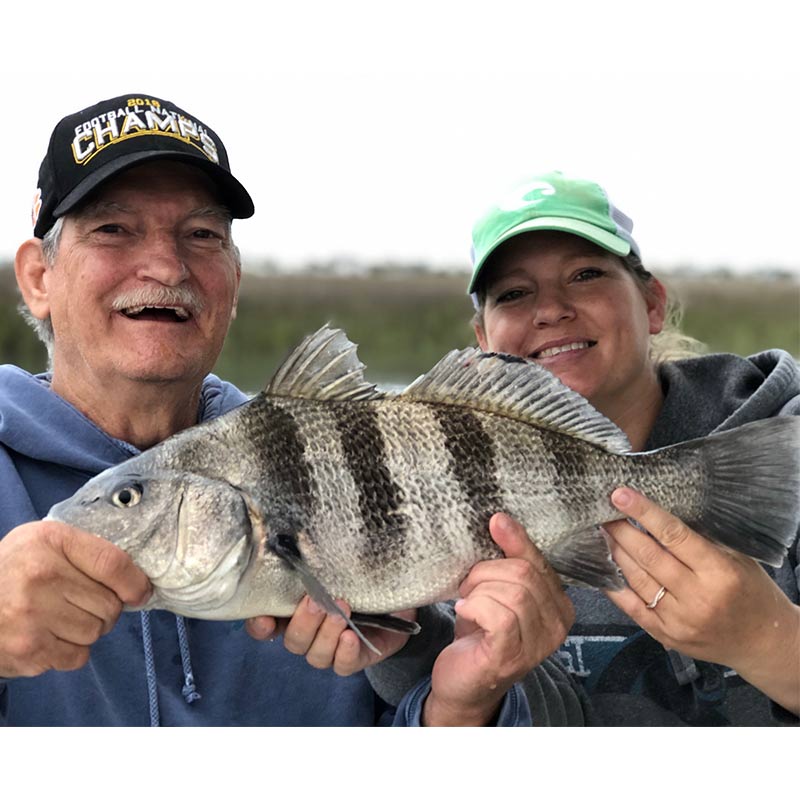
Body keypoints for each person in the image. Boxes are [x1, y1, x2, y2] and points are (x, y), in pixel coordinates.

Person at [0, 93, 582, 726]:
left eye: (201, 235)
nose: (167, 264)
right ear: (38, 279)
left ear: (234, 282)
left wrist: (464, 706)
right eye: (113, 229)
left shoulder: (316, 454)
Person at [369, 170, 800, 725]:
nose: (550, 310)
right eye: (514, 294)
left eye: (585, 274)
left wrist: (768, 641)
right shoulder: (432, 484)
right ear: (483, 339)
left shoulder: (783, 443)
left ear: (652, 304)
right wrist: (447, 686)